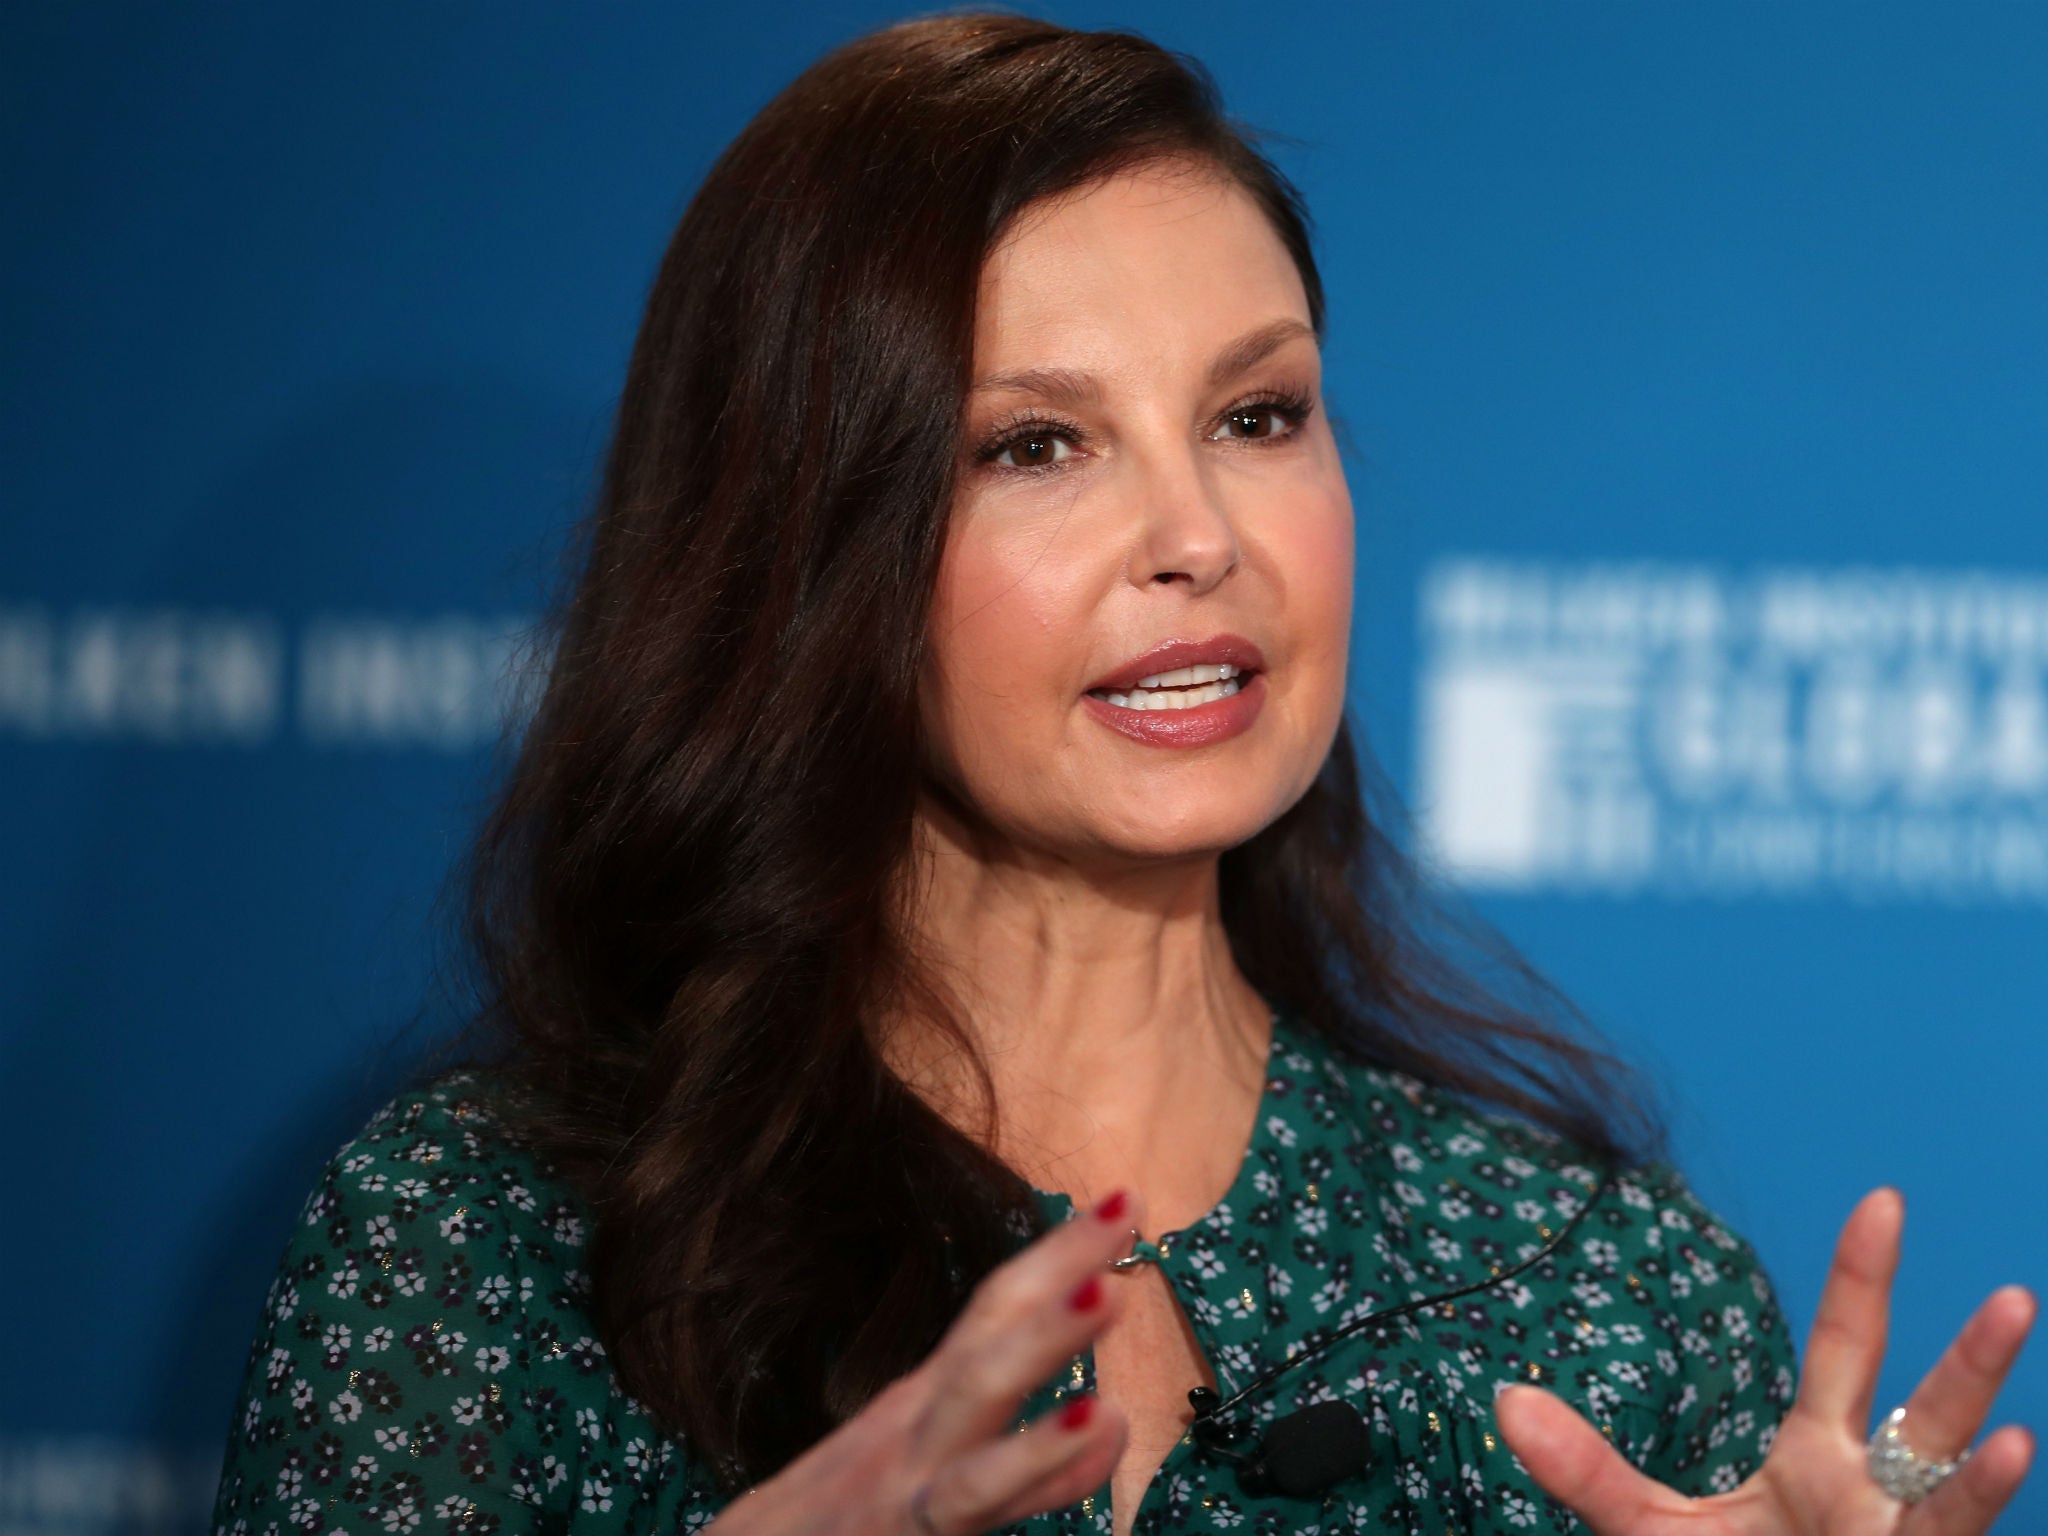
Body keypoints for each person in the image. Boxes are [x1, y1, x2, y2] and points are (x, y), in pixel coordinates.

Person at [208, 14, 2035, 1536]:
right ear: (805, 547)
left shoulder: (1608, 1294)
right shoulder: (492, 1252)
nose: (1196, 536)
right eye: (1036, 446)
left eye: (1257, 415)